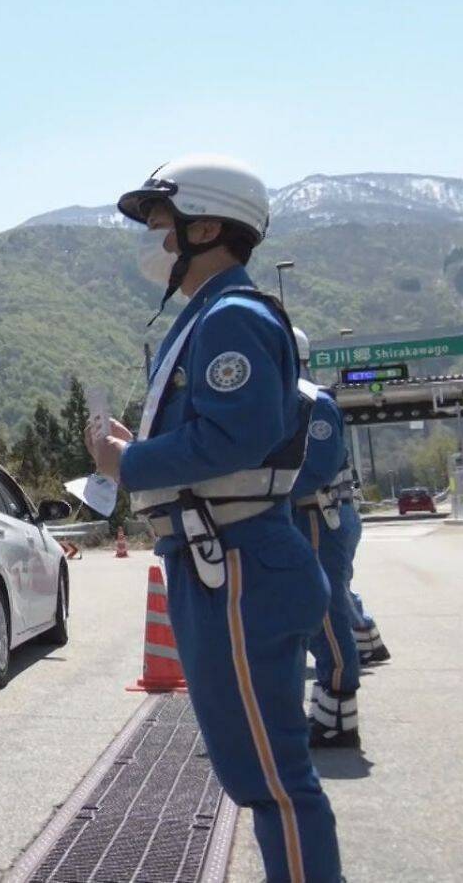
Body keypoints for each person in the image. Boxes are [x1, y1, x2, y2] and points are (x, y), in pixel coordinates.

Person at [86, 155, 340, 882]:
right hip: (221, 560)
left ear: (205, 228)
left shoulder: (230, 316)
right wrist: (138, 450)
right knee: (257, 770)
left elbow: (237, 435)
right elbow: (220, 435)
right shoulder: (212, 315)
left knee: (273, 781)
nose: (153, 238)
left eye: (161, 222)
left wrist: (128, 464)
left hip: (235, 564)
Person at [288, 328, 362, 748]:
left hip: (317, 514)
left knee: (325, 612)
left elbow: (316, 468)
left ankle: (338, 711)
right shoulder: (289, 398)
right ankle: (326, 709)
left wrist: (265, 491)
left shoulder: (313, 402)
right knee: (306, 612)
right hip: (298, 516)